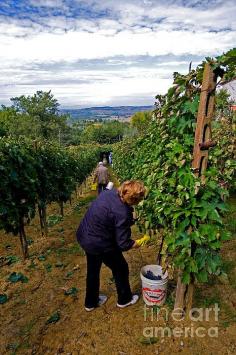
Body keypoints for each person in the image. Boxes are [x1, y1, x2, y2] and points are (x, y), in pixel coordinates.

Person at [76, 180, 149, 311]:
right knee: (120, 268)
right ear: (133, 200)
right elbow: (123, 243)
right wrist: (137, 243)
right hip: (99, 243)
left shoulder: (108, 193)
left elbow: (110, 218)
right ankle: (125, 299)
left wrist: (130, 219)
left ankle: (90, 303)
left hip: (85, 236)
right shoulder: (123, 213)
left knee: (93, 270)